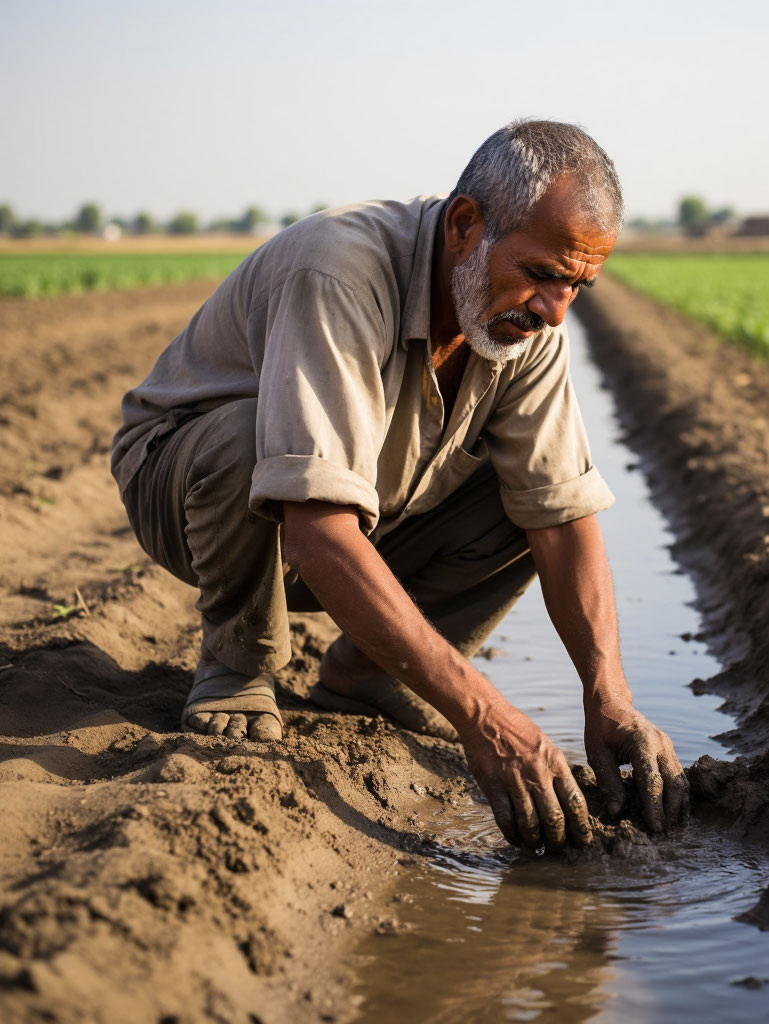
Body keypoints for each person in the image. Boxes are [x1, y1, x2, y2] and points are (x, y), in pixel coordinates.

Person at [111, 119, 688, 852]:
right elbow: (317, 527)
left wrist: (609, 696)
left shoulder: (527, 327)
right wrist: (484, 717)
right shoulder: (340, 271)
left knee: (534, 503)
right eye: (543, 273)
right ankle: (236, 660)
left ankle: (365, 675)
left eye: (579, 285)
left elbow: (562, 517)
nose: (555, 309)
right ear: (464, 224)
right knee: (245, 434)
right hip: (196, 488)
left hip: (375, 501)